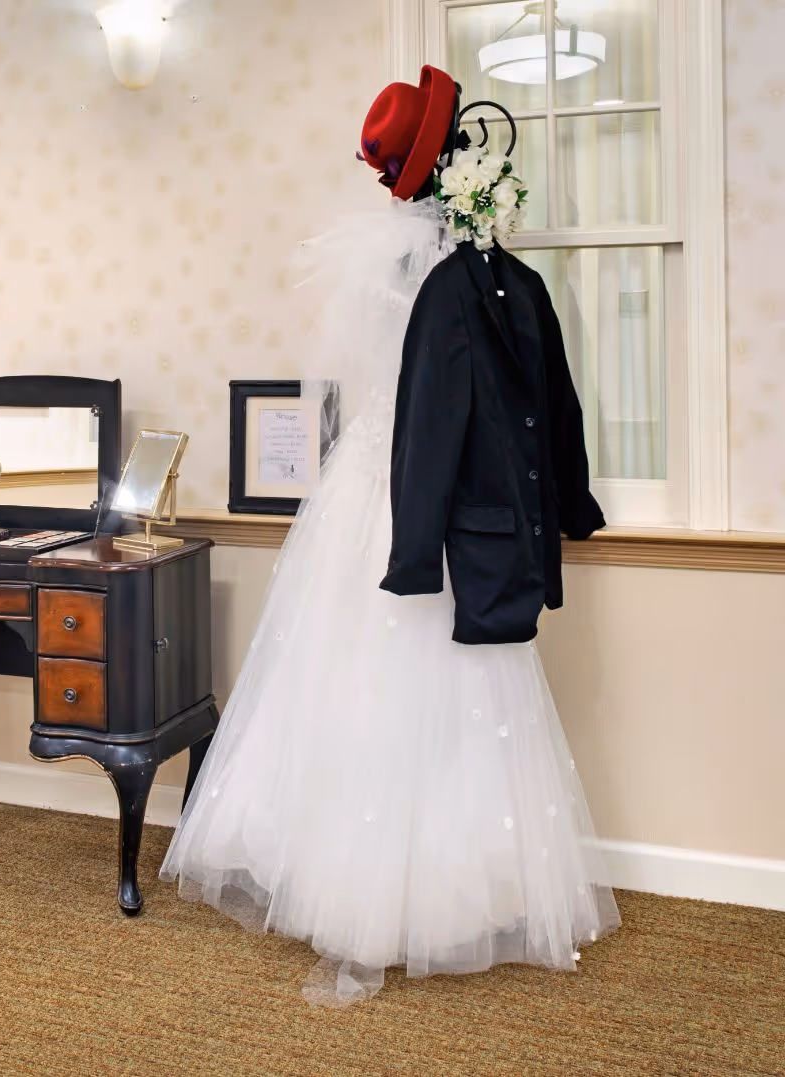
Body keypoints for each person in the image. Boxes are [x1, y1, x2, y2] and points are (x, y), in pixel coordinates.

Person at [160, 66, 620, 1008]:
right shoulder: (450, 268)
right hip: (417, 492)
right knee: (424, 692)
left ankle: (375, 883)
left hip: (371, 490)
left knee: (363, 691)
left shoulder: (395, 259)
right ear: (453, 162)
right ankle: (407, 897)